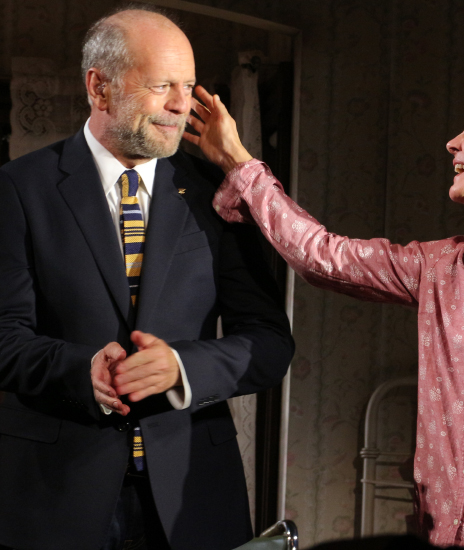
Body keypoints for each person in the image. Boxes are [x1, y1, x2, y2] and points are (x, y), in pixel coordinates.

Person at [185, 76, 464, 550]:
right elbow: (323, 256)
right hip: (454, 539)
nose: (453, 142)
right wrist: (239, 162)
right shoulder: (442, 267)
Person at [0, 6, 294, 550]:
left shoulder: (220, 192)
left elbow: (271, 343)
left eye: (187, 86)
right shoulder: (20, 188)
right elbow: (4, 336)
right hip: (56, 497)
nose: (182, 105)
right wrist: (77, 368)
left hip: (193, 498)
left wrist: (184, 365)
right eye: (162, 86)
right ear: (100, 88)